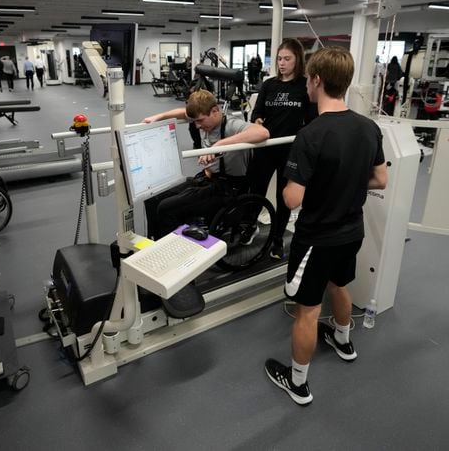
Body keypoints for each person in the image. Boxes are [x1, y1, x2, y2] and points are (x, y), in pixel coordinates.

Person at [264, 47, 388, 406]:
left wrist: (304, 181)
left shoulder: (310, 135)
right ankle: (344, 341)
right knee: (341, 285)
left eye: (307, 79)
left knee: (307, 310)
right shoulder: (369, 127)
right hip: (352, 231)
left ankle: (298, 382)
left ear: (317, 80)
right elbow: (380, 180)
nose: (305, 84)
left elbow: (291, 200)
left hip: (317, 237)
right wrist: (345, 182)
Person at [142, 90, 269, 239]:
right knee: (152, 198)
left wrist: (219, 145)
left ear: (215, 111)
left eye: (200, 121)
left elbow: (262, 132)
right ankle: (154, 243)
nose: (197, 126)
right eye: (195, 121)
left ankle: (170, 252)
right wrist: (158, 117)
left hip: (227, 189)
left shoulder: (232, 125)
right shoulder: (203, 118)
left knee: (166, 208)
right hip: (206, 179)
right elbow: (183, 113)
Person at [248, 38, 315, 260]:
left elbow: (312, 120)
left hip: (290, 151)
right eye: (279, 58)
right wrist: (257, 121)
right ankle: (249, 226)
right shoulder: (269, 85)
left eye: (287, 59)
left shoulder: (305, 87)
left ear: (298, 60)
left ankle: (277, 238)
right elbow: (255, 113)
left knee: (283, 197)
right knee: (256, 190)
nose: (282, 63)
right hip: (265, 148)